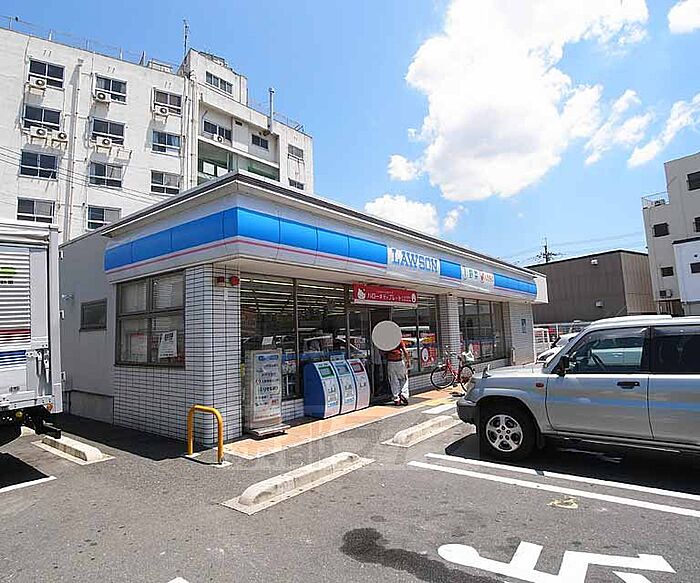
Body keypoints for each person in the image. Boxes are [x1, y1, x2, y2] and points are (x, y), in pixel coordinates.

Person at [385, 339, 410, 405]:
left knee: (393, 380)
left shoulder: (387, 341)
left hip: (390, 362)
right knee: (403, 378)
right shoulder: (399, 340)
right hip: (399, 362)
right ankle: (404, 395)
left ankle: (396, 398)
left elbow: (382, 352)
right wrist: (408, 361)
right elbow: (405, 351)